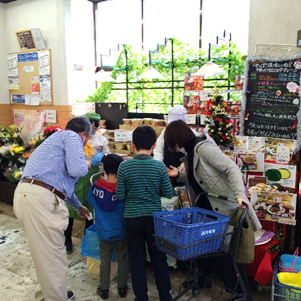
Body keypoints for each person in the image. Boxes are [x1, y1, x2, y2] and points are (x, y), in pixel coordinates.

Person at [164, 120, 262, 301]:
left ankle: (243, 294)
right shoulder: (190, 152)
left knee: (231, 254)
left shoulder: (203, 149)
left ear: (177, 138)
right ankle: (203, 280)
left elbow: (231, 168)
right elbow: (200, 177)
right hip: (207, 208)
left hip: (225, 207)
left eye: (171, 141)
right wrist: (179, 175)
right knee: (204, 247)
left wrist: (240, 194)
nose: (172, 147)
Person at [13, 116, 92, 301]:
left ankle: (47, 295)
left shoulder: (55, 141)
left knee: (45, 255)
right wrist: (88, 164)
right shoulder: (72, 137)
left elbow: (62, 183)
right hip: (40, 200)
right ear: (83, 135)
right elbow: (77, 170)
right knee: (54, 257)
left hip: (27, 194)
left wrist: (78, 207)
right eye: (87, 139)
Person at [116, 126, 174, 301]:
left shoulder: (124, 167)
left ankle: (141, 297)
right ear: (154, 145)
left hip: (132, 218)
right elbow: (169, 193)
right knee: (159, 257)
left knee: (136, 259)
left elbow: (120, 195)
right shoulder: (159, 167)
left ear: (133, 145)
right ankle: (165, 295)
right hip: (154, 219)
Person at [64, 112, 110, 254]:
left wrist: (102, 155)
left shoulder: (101, 140)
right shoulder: (75, 138)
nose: (92, 126)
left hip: (93, 176)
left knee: (91, 206)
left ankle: (87, 237)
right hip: (76, 174)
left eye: (94, 123)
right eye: (89, 123)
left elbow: (108, 154)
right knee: (71, 207)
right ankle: (67, 239)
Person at [87, 154, 128, 300]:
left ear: (103, 168)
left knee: (105, 259)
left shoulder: (96, 185)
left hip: (103, 230)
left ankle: (103, 289)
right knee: (123, 258)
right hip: (121, 229)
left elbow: (90, 201)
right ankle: (122, 288)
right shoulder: (123, 188)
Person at [153, 104, 199, 186]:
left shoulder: (193, 135)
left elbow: (196, 155)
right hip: (168, 176)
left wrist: (187, 163)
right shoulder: (165, 133)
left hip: (186, 176)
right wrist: (159, 166)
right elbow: (158, 151)